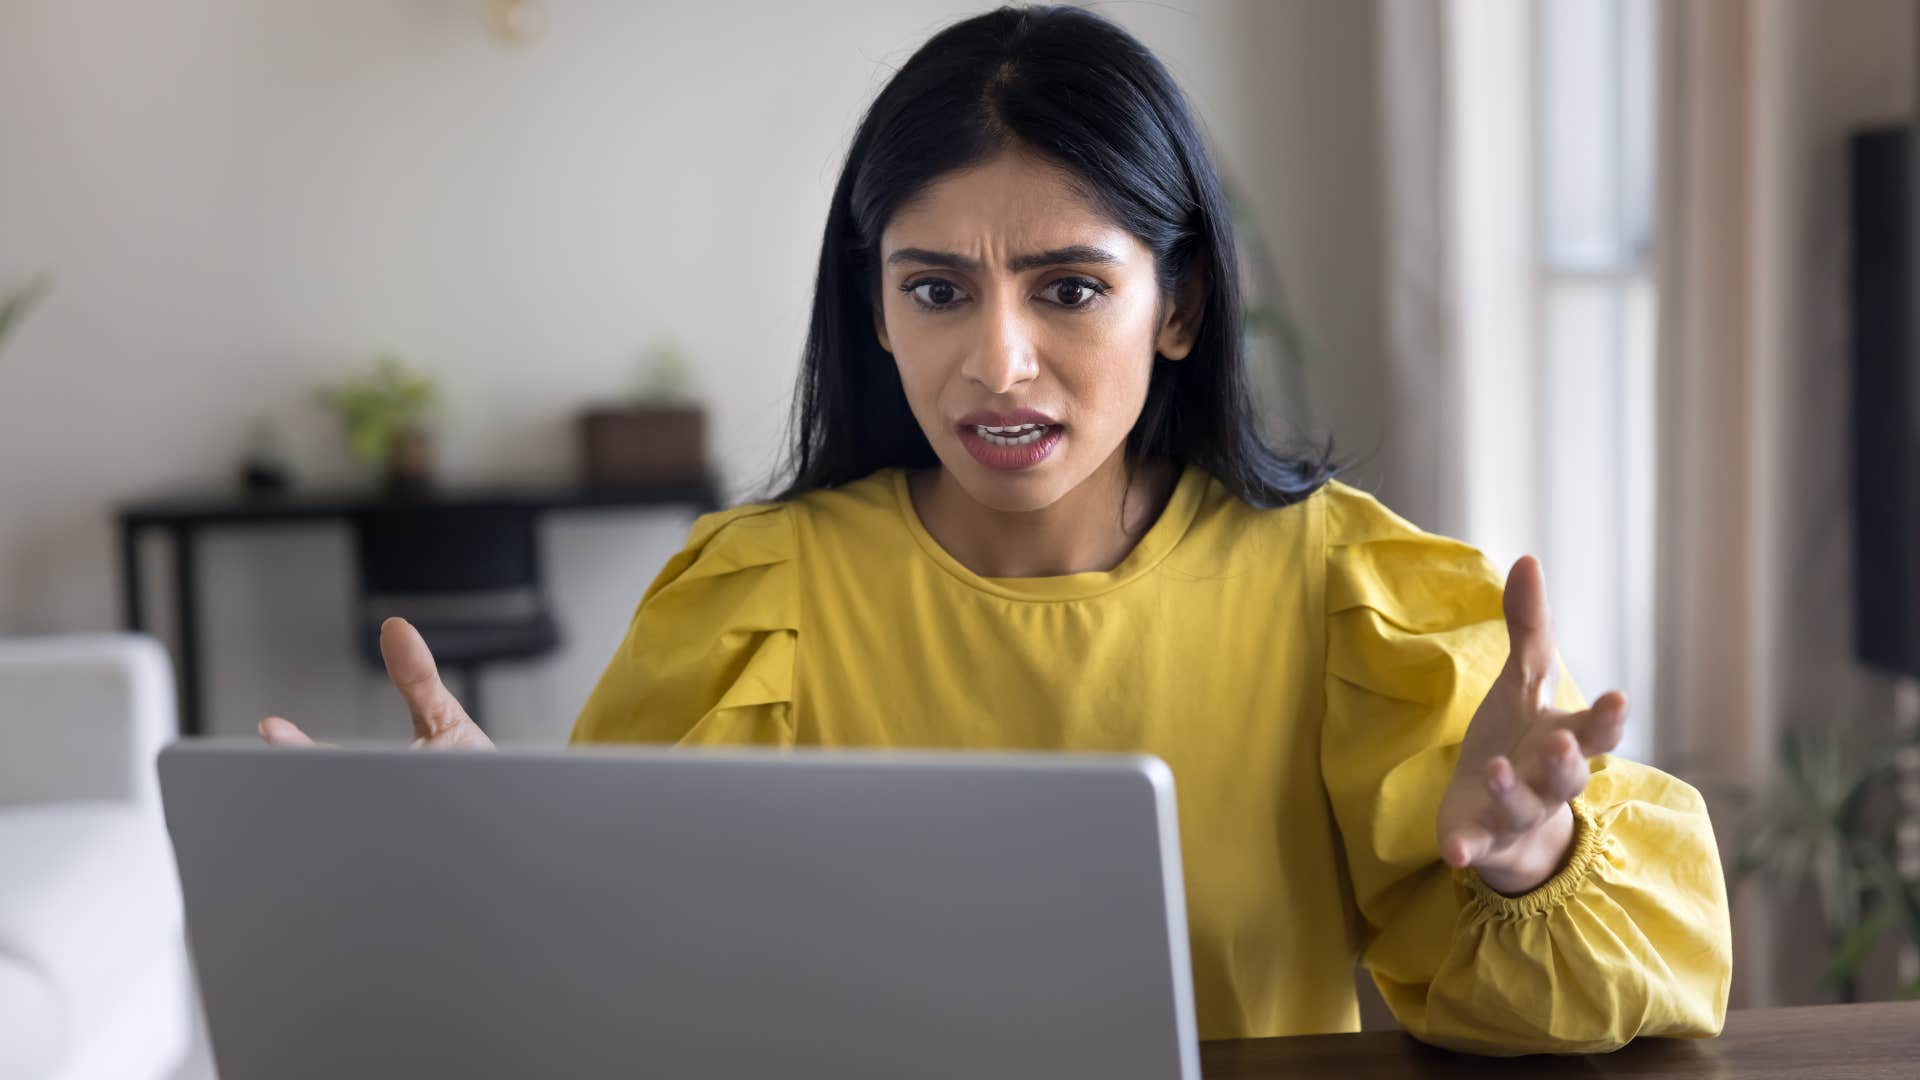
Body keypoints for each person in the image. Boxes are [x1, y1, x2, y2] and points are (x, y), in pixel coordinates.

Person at [261, 4, 1732, 1054]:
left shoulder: (1343, 588)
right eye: (937, 288)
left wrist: (1538, 862)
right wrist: (487, 868)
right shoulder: (753, 600)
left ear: (1183, 307)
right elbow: (634, 997)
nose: (998, 362)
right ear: (876, 308)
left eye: (1070, 287)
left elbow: (1590, 993)